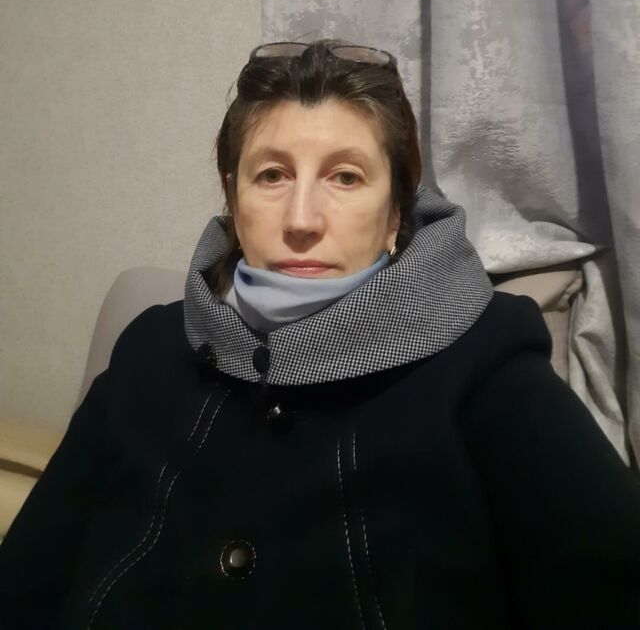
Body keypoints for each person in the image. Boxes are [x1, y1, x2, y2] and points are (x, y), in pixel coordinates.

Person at [1, 38, 639, 629]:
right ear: (234, 201)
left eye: (346, 176)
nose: (301, 219)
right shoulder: (149, 346)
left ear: (394, 216)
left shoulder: (488, 360)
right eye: (272, 175)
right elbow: (28, 577)